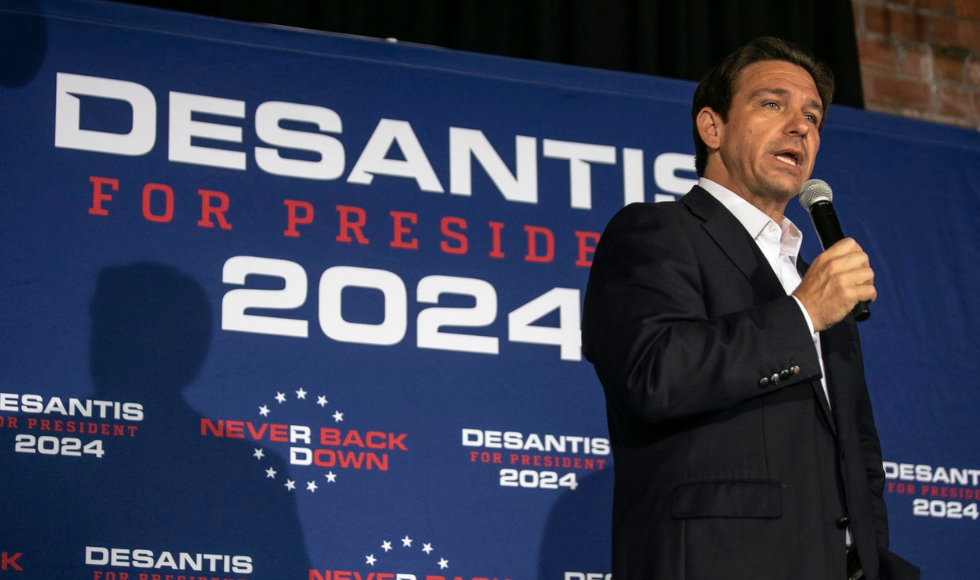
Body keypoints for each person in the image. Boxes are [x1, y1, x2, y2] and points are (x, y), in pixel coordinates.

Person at [582, 37, 919, 580]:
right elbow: (654, 375)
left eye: (813, 115)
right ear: (711, 128)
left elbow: (857, 453)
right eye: (772, 104)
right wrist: (803, 313)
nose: (801, 125)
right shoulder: (656, 233)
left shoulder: (812, 275)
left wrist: (872, 557)